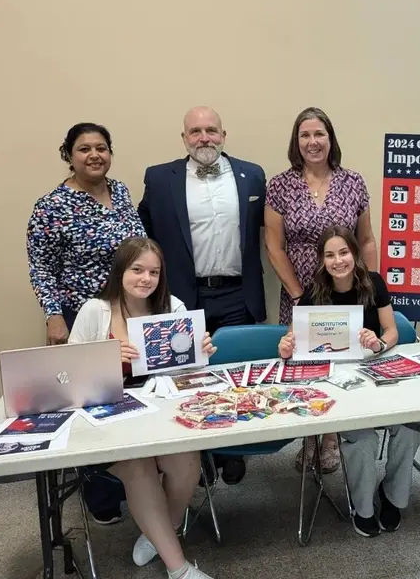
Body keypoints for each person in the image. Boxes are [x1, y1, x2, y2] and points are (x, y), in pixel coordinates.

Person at [69, 237, 216, 579]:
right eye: (137, 269)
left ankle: (157, 531)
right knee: (139, 467)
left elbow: (190, 375)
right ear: (121, 270)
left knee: (186, 463)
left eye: (153, 271)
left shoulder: (173, 308)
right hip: (107, 422)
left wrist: (201, 352)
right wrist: (102, 359)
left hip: (163, 418)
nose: (145, 279)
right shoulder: (96, 311)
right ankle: (178, 569)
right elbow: (68, 373)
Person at [138, 106, 267, 485]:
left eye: (211, 130)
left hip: (237, 292)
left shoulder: (252, 175)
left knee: (237, 376)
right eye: (195, 131)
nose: (204, 137)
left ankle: (233, 451)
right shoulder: (160, 179)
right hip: (182, 295)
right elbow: (144, 234)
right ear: (184, 138)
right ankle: (199, 455)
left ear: (224, 135)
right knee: (188, 378)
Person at [26, 122, 147, 525]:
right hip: (83, 317)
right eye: (83, 149)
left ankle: (142, 478)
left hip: (129, 309)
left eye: (101, 148)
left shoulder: (122, 192)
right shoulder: (52, 206)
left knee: (136, 396)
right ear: (69, 154)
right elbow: (40, 266)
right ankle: (102, 493)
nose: (94, 155)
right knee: (97, 403)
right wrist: (53, 314)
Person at [278, 225, 420, 537]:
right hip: (339, 382)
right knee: (364, 438)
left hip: (377, 370)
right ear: (321, 261)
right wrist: (285, 346)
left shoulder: (374, 283)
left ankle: (393, 497)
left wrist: (379, 344)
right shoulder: (313, 292)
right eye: (330, 255)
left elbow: (392, 331)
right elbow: (291, 340)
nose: (338, 260)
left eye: (343, 252)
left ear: (354, 254)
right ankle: (363, 506)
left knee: (410, 426)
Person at [265, 106, 378, 474]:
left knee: (338, 364)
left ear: (331, 139)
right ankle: (309, 437)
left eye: (320, 134)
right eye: (305, 135)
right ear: (296, 142)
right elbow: (274, 246)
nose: (313, 142)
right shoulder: (280, 186)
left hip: (347, 292)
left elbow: (366, 239)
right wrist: (300, 297)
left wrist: (370, 287)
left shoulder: (353, 182)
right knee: (304, 367)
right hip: (299, 293)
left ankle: (331, 439)